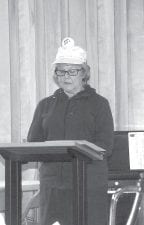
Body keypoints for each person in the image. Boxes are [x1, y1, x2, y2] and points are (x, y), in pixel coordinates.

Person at [27, 37, 114, 225]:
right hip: (53, 187)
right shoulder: (45, 105)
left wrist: (78, 149)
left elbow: (106, 146)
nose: (66, 76)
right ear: (56, 74)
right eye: (61, 71)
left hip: (87, 186)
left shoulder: (99, 104)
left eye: (72, 71)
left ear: (84, 73)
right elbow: (33, 143)